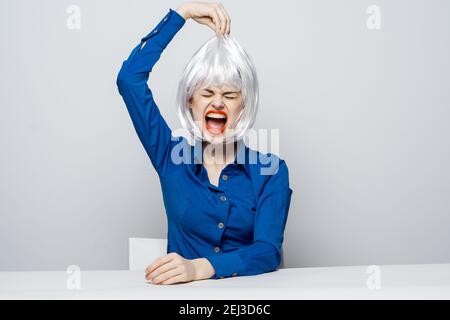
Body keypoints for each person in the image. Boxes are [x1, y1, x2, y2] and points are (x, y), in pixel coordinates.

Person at [116, 1, 293, 285]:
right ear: (190, 100)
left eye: (231, 95)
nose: (218, 102)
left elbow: (268, 251)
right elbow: (129, 80)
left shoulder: (271, 170)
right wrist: (181, 15)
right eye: (207, 92)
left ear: (244, 107)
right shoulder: (169, 156)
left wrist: (200, 267)